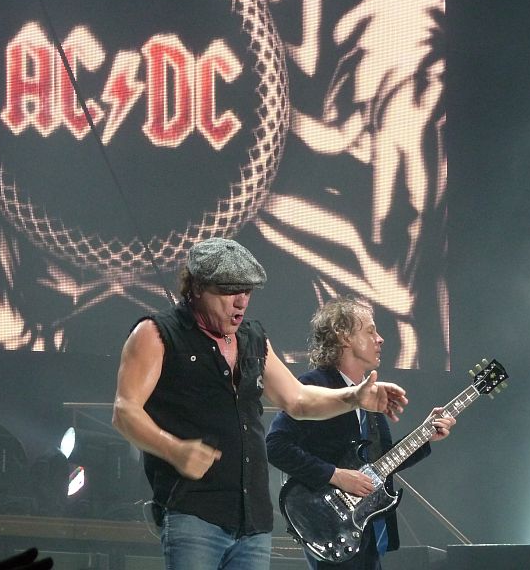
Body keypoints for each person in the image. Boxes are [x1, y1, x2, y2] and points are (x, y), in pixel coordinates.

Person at [111, 237, 410, 570]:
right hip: (193, 513)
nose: (240, 302)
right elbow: (125, 411)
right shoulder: (156, 334)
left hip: (253, 521)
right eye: (229, 291)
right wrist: (174, 450)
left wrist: (353, 396)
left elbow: (297, 399)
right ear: (196, 287)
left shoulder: (253, 338)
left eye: (247, 291)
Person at [266, 296, 455, 570]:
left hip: (366, 528)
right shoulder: (314, 387)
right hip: (328, 523)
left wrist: (425, 436)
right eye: (370, 331)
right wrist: (336, 476)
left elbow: (382, 464)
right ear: (344, 337)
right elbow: (275, 445)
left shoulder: (371, 395)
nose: (380, 339)